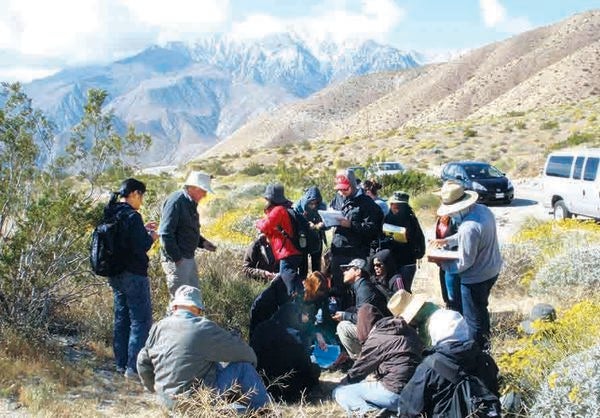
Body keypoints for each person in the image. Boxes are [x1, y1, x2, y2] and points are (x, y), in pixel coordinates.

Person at [137, 285, 269, 411]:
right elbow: (245, 353)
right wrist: (253, 363)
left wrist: (155, 388)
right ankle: (264, 411)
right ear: (198, 309)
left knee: (211, 364)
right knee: (243, 367)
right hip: (195, 404)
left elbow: (142, 362)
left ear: (175, 307)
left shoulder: (158, 327)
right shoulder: (204, 327)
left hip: (165, 403)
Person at [430, 182, 502, 350]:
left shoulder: (468, 227)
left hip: (475, 278)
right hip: (492, 269)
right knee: (481, 310)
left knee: (473, 320)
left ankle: (478, 352)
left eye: (452, 212)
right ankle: (486, 347)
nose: (452, 215)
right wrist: (447, 240)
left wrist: (442, 263)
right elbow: (467, 236)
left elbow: (464, 262)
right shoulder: (483, 210)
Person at [398, 309, 500, 417]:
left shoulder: (430, 367)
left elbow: (408, 409)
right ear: (465, 329)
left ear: (435, 332)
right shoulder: (485, 360)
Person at [104, 178, 157, 379]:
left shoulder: (111, 212)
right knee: (141, 320)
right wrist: (152, 236)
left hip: (115, 273)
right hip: (134, 274)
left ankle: (120, 364)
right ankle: (134, 369)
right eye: (141, 196)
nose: (141, 201)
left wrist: (143, 230)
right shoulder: (132, 216)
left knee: (121, 318)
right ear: (134, 193)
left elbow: (125, 241)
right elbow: (141, 245)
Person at [333, 304, 423, 416]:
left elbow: (359, 371)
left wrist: (343, 383)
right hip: (418, 392)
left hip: (395, 393)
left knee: (340, 392)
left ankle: (368, 412)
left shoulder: (376, 338)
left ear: (363, 324)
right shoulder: (408, 330)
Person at [330, 169, 384, 309]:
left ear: (353, 185)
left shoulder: (367, 204)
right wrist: (326, 221)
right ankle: (340, 319)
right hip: (338, 250)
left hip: (356, 253)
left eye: (345, 189)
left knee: (355, 290)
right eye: (339, 189)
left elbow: (373, 229)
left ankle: (356, 320)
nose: (342, 192)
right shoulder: (338, 199)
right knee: (338, 289)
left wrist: (351, 225)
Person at [158, 171, 217, 297]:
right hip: (178, 260)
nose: (205, 194)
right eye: (203, 190)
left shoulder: (188, 202)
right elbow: (165, 233)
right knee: (180, 302)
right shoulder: (176, 201)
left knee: (192, 299)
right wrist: (177, 258)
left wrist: (203, 243)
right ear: (193, 188)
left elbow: (186, 229)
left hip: (187, 258)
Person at [250, 302, 321, 403]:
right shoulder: (296, 336)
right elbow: (305, 367)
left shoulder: (261, 328)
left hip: (260, 385)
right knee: (315, 369)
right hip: (289, 391)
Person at [332, 258, 389, 360]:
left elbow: (364, 319)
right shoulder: (362, 286)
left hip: (380, 332)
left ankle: (364, 361)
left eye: (348, 269)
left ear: (358, 271)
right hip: (378, 330)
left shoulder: (364, 289)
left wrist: (344, 316)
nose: (344, 272)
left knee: (343, 327)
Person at [256, 183, 303, 295]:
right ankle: (300, 297)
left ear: (270, 198)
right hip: (292, 252)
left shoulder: (278, 210)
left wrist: (257, 222)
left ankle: (298, 299)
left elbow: (264, 226)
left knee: (287, 276)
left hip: (288, 252)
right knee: (288, 277)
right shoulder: (282, 209)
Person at [383, 191, 425, 292]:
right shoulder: (388, 218)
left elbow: (419, 240)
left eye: (397, 205)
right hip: (392, 261)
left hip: (407, 262)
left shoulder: (411, 220)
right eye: (392, 204)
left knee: (404, 291)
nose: (393, 207)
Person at [294, 186, 327, 279]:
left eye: (315, 203)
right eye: (311, 203)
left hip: (316, 238)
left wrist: (321, 225)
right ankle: (302, 287)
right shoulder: (299, 207)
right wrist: (306, 224)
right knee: (302, 267)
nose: (313, 206)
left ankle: (317, 287)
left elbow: (327, 222)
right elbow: (294, 222)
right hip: (302, 239)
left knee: (316, 267)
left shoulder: (322, 207)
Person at [434, 215, 461, 312]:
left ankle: (457, 312)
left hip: (453, 261)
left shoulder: (455, 221)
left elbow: (460, 240)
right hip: (442, 260)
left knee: (454, 292)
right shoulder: (438, 220)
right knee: (444, 286)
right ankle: (448, 306)